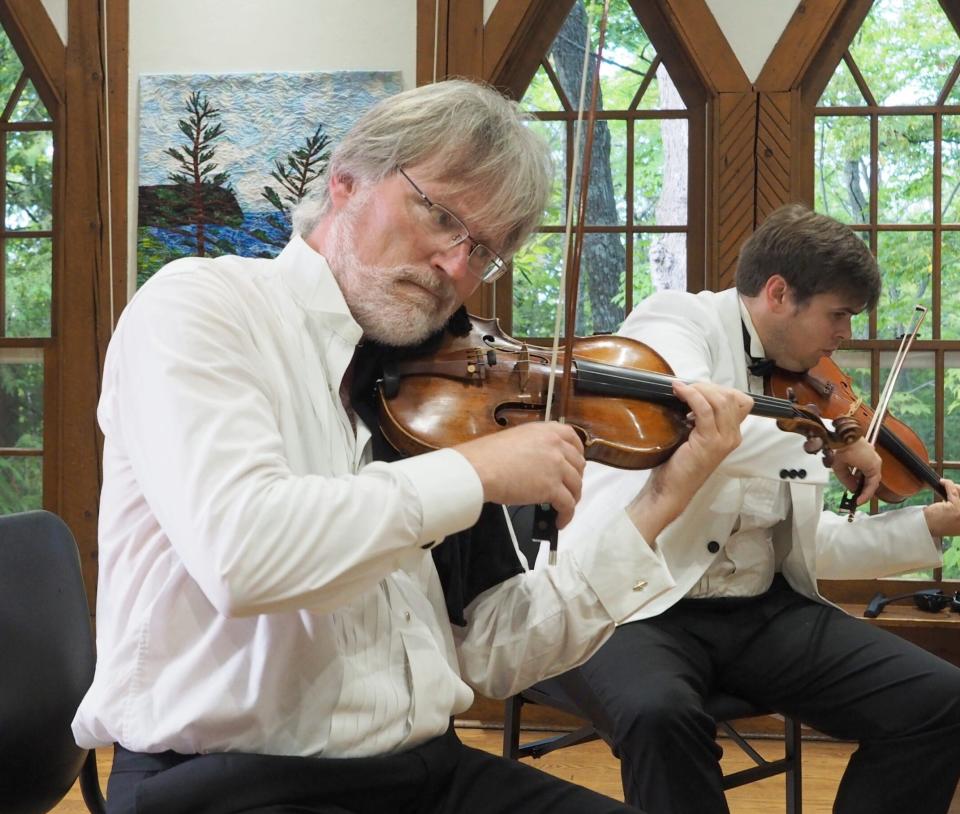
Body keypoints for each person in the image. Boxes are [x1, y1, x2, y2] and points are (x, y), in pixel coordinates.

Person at [71, 79, 754, 814]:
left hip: (427, 772)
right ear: (346, 182)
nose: (457, 270)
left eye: (484, 252)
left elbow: (492, 652)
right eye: (441, 216)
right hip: (227, 782)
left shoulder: (430, 389)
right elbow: (244, 556)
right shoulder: (201, 306)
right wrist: (474, 473)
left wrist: (660, 502)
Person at [553, 202, 960, 814]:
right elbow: (694, 422)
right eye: (838, 315)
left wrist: (927, 524)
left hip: (758, 613)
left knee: (942, 699)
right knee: (658, 715)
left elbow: (804, 544)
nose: (844, 336)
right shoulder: (674, 321)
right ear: (777, 293)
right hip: (634, 602)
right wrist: (832, 440)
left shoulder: (799, 394)